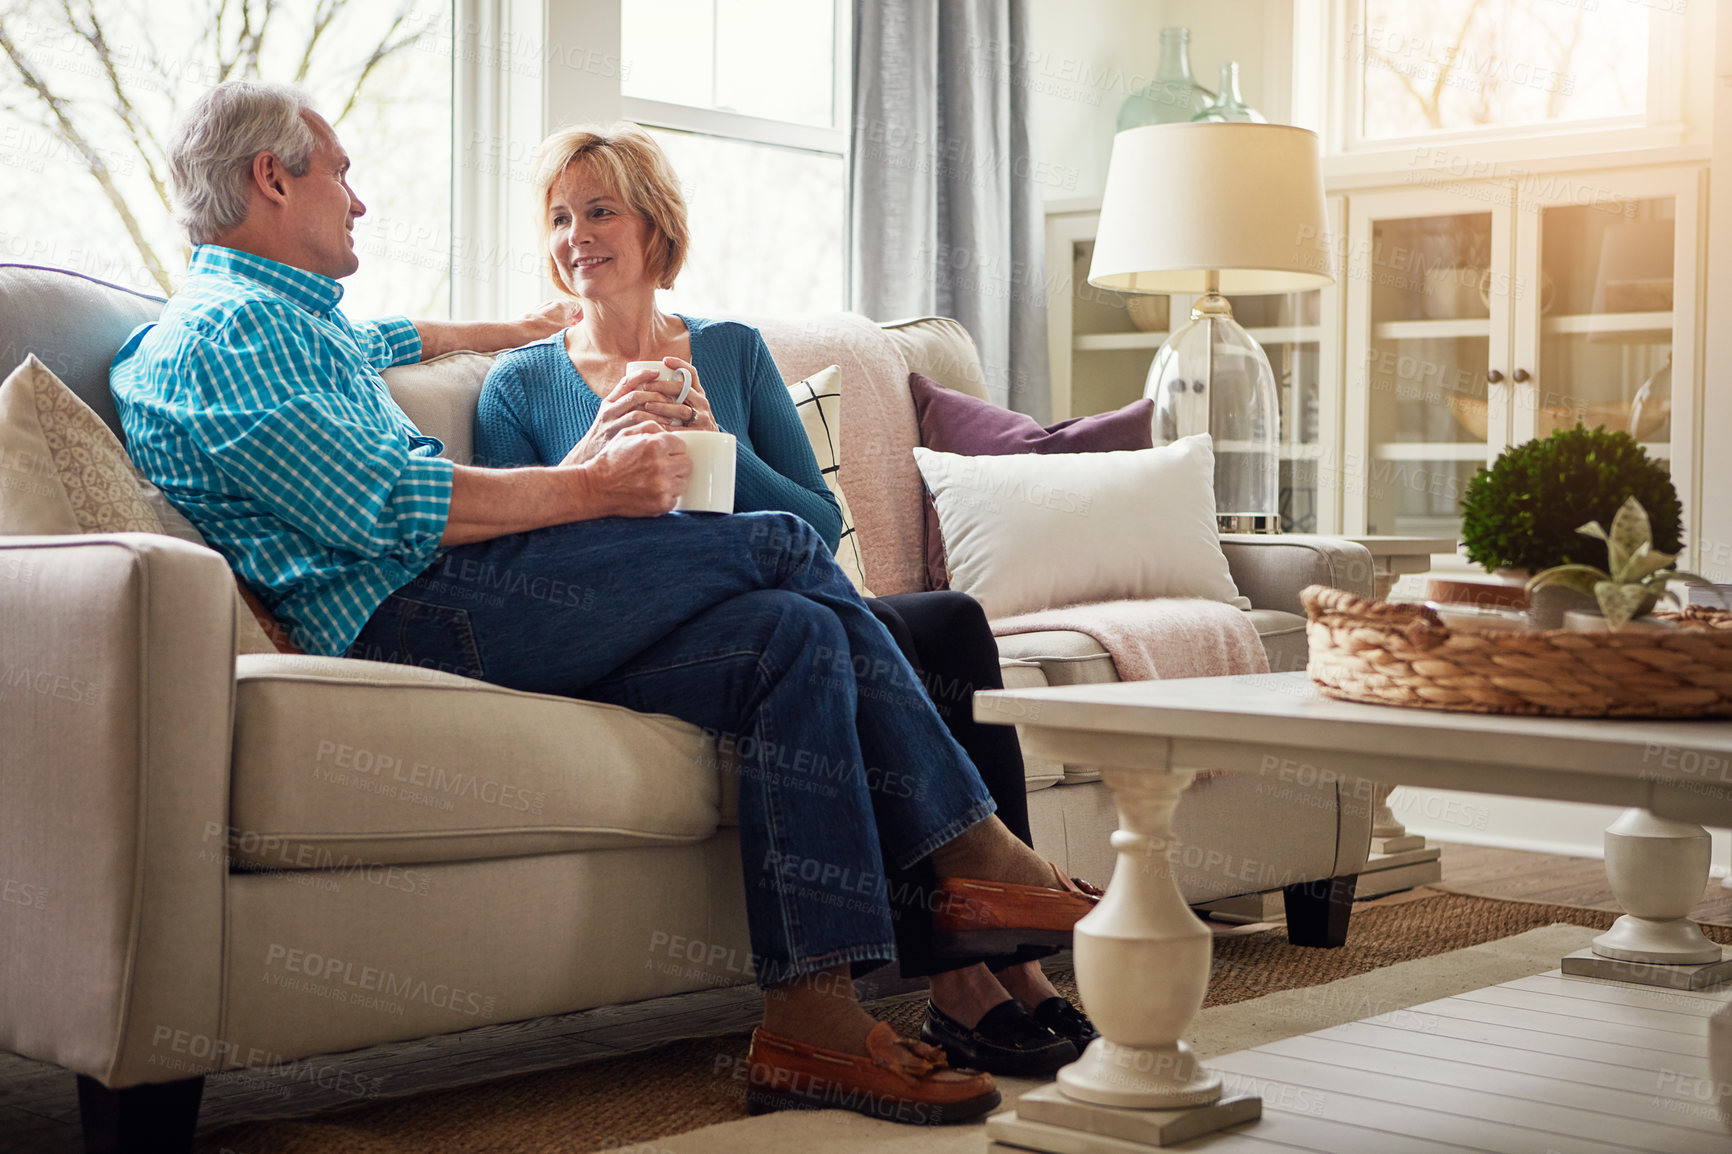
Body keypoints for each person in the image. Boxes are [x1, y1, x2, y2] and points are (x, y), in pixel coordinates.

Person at [108, 80, 1095, 1125]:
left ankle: (813, 1015)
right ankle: (970, 851)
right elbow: (389, 500)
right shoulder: (226, 334)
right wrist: (597, 484)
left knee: (793, 630)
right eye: (340, 172)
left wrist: (486, 325)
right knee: (779, 543)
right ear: (271, 177)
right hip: (408, 611)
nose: (358, 200)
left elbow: (383, 342)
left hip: (452, 595)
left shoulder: (281, 320)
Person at [472, 125, 1098, 1077]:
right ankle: (980, 968)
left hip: (771, 588)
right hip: (654, 627)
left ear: (653, 227)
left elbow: (813, 519)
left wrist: (721, 436)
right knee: (857, 630)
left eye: (599, 210)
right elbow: (521, 563)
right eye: (559, 217)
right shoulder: (519, 383)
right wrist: (593, 455)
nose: (576, 235)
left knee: (949, 622)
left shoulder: (729, 351)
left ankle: (995, 971)